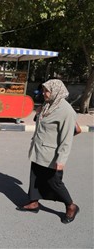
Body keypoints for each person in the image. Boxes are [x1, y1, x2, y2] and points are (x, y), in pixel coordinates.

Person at [17, 79, 79, 224]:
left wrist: (62, 159)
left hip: (52, 154)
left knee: (54, 182)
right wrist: (38, 113)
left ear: (56, 91)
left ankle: (71, 206)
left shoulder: (66, 111)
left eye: (46, 91)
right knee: (35, 176)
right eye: (43, 90)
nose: (43, 93)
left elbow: (67, 138)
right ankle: (33, 202)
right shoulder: (48, 104)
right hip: (39, 149)